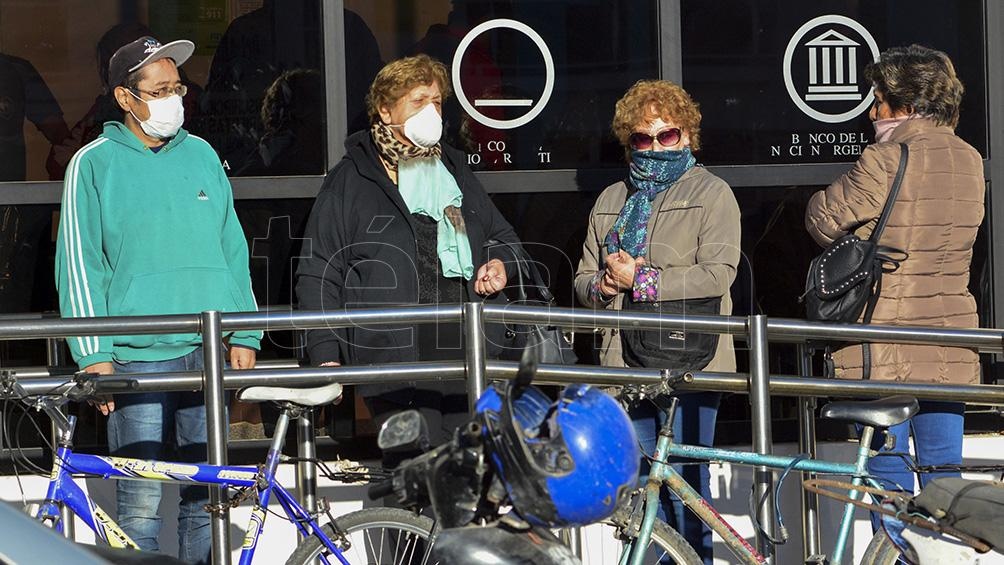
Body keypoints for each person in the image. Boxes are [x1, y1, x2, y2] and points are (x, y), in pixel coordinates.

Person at [54, 36, 261, 564]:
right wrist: (94, 354)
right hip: (135, 357)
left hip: (209, 350)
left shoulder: (202, 153)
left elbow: (231, 248)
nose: (176, 99)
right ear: (126, 98)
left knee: (205, 500)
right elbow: (80, 264)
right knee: (140, 505)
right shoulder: (93, 163)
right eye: (161, 89)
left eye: (178, 87)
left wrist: (244, 331)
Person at [296, 54, 520, 449]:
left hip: (467, 348)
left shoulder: (453, 168)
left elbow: (503, 237)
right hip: (391, 356)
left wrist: (501, 263)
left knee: (471, 469)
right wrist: (324, 351)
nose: (431, 111)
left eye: (436, 102)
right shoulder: (352, 178)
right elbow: (320, 270)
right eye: (418, 102)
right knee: (414, 469)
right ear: (386, 109)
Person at [805, 45, 984, 520]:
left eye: (878, 98)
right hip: (949, 340)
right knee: (945, 476)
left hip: (884, 342)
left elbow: (824, 221)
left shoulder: (885, 157)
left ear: (904, 103)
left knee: (888, 478)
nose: (871, 109)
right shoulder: (971, 161)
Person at [574, 79, 740, 565]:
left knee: (687, 488)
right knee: (645, 492)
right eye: (642, 139)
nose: (655, 147)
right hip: (621, 363)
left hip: (689, 361)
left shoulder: (713, 193)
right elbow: (582, 281)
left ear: (687, 135)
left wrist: (640, 281)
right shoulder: (609, 200)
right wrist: (603, 288)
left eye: (666, 136)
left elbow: (718, 274)